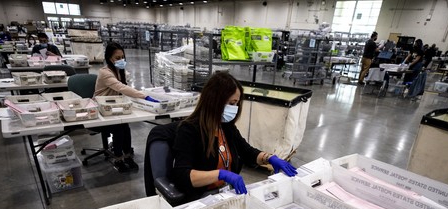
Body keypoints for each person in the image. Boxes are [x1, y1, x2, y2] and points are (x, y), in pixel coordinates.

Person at [172, 72, 297, 201]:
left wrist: (269, 158)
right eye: (231, 103)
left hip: (226, 192)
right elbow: (182, 176)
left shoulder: (226, 127)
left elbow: (247, 152)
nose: (235, 108)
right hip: (200, 197)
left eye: (237, 104)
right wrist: (220, 174)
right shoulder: (189, 130)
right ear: (214, 101)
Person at [94, 42, 157, 172]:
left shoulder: (120, 71)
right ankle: (118, 158)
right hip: (102, 110)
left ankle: (127, 156)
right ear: (109, 58)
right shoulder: (105, 73)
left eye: (122, 57)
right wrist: (144, 97)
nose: (121, 60)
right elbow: (121, 88)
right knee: (119, 129)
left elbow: (125, 91)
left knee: (125, 127)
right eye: (117, 58)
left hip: (115, 107)